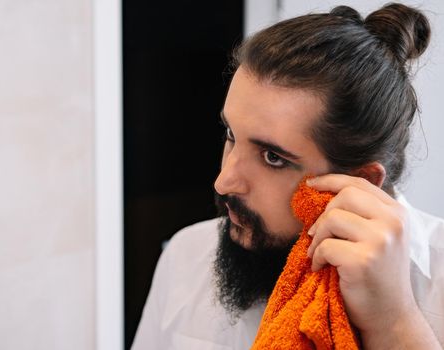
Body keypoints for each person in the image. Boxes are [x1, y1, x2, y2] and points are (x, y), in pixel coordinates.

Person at [131, 3, 444, 349]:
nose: (224, 182)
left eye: (272, 157)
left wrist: (393, 321)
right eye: (231, 135)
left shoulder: (437, 284)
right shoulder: (186, 256)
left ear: (363, 181)